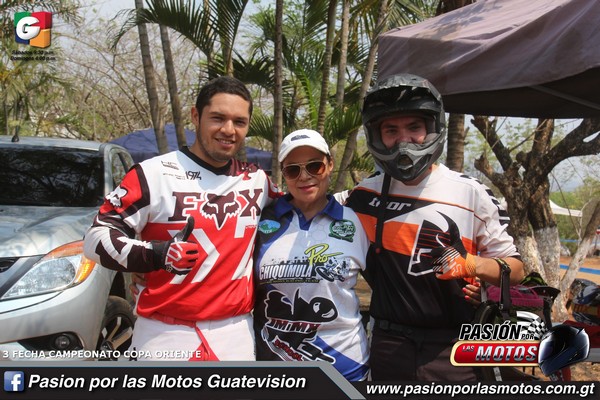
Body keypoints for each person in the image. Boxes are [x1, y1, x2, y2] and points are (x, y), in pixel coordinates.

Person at [83, 76, 281, 361]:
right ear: (196, 116)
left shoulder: (258, 180)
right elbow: (95, 239)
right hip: (163, 334)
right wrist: (153, 254)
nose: (228, 130)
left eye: (239, 122)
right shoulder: (152, 174)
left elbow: (302, 206)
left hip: (236, 333)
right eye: (218, 118)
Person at [342, 73, 524, 381]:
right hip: (388, 347)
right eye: (391, 130)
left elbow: (517, 270)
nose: (404, 139)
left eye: (414, 127)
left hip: (454, 348)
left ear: (432, 128)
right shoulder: (361, 197)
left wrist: (473, 265)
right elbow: (310, 208)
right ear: (377, 135)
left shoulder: (470, 193)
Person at [253, 129, 370, 381]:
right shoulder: (260, 220)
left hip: (344, 368)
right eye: (293, 170)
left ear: (330, 165)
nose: (304, 176)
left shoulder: (357, 221)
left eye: (315, 166)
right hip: (274, 365)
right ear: (283, 173)